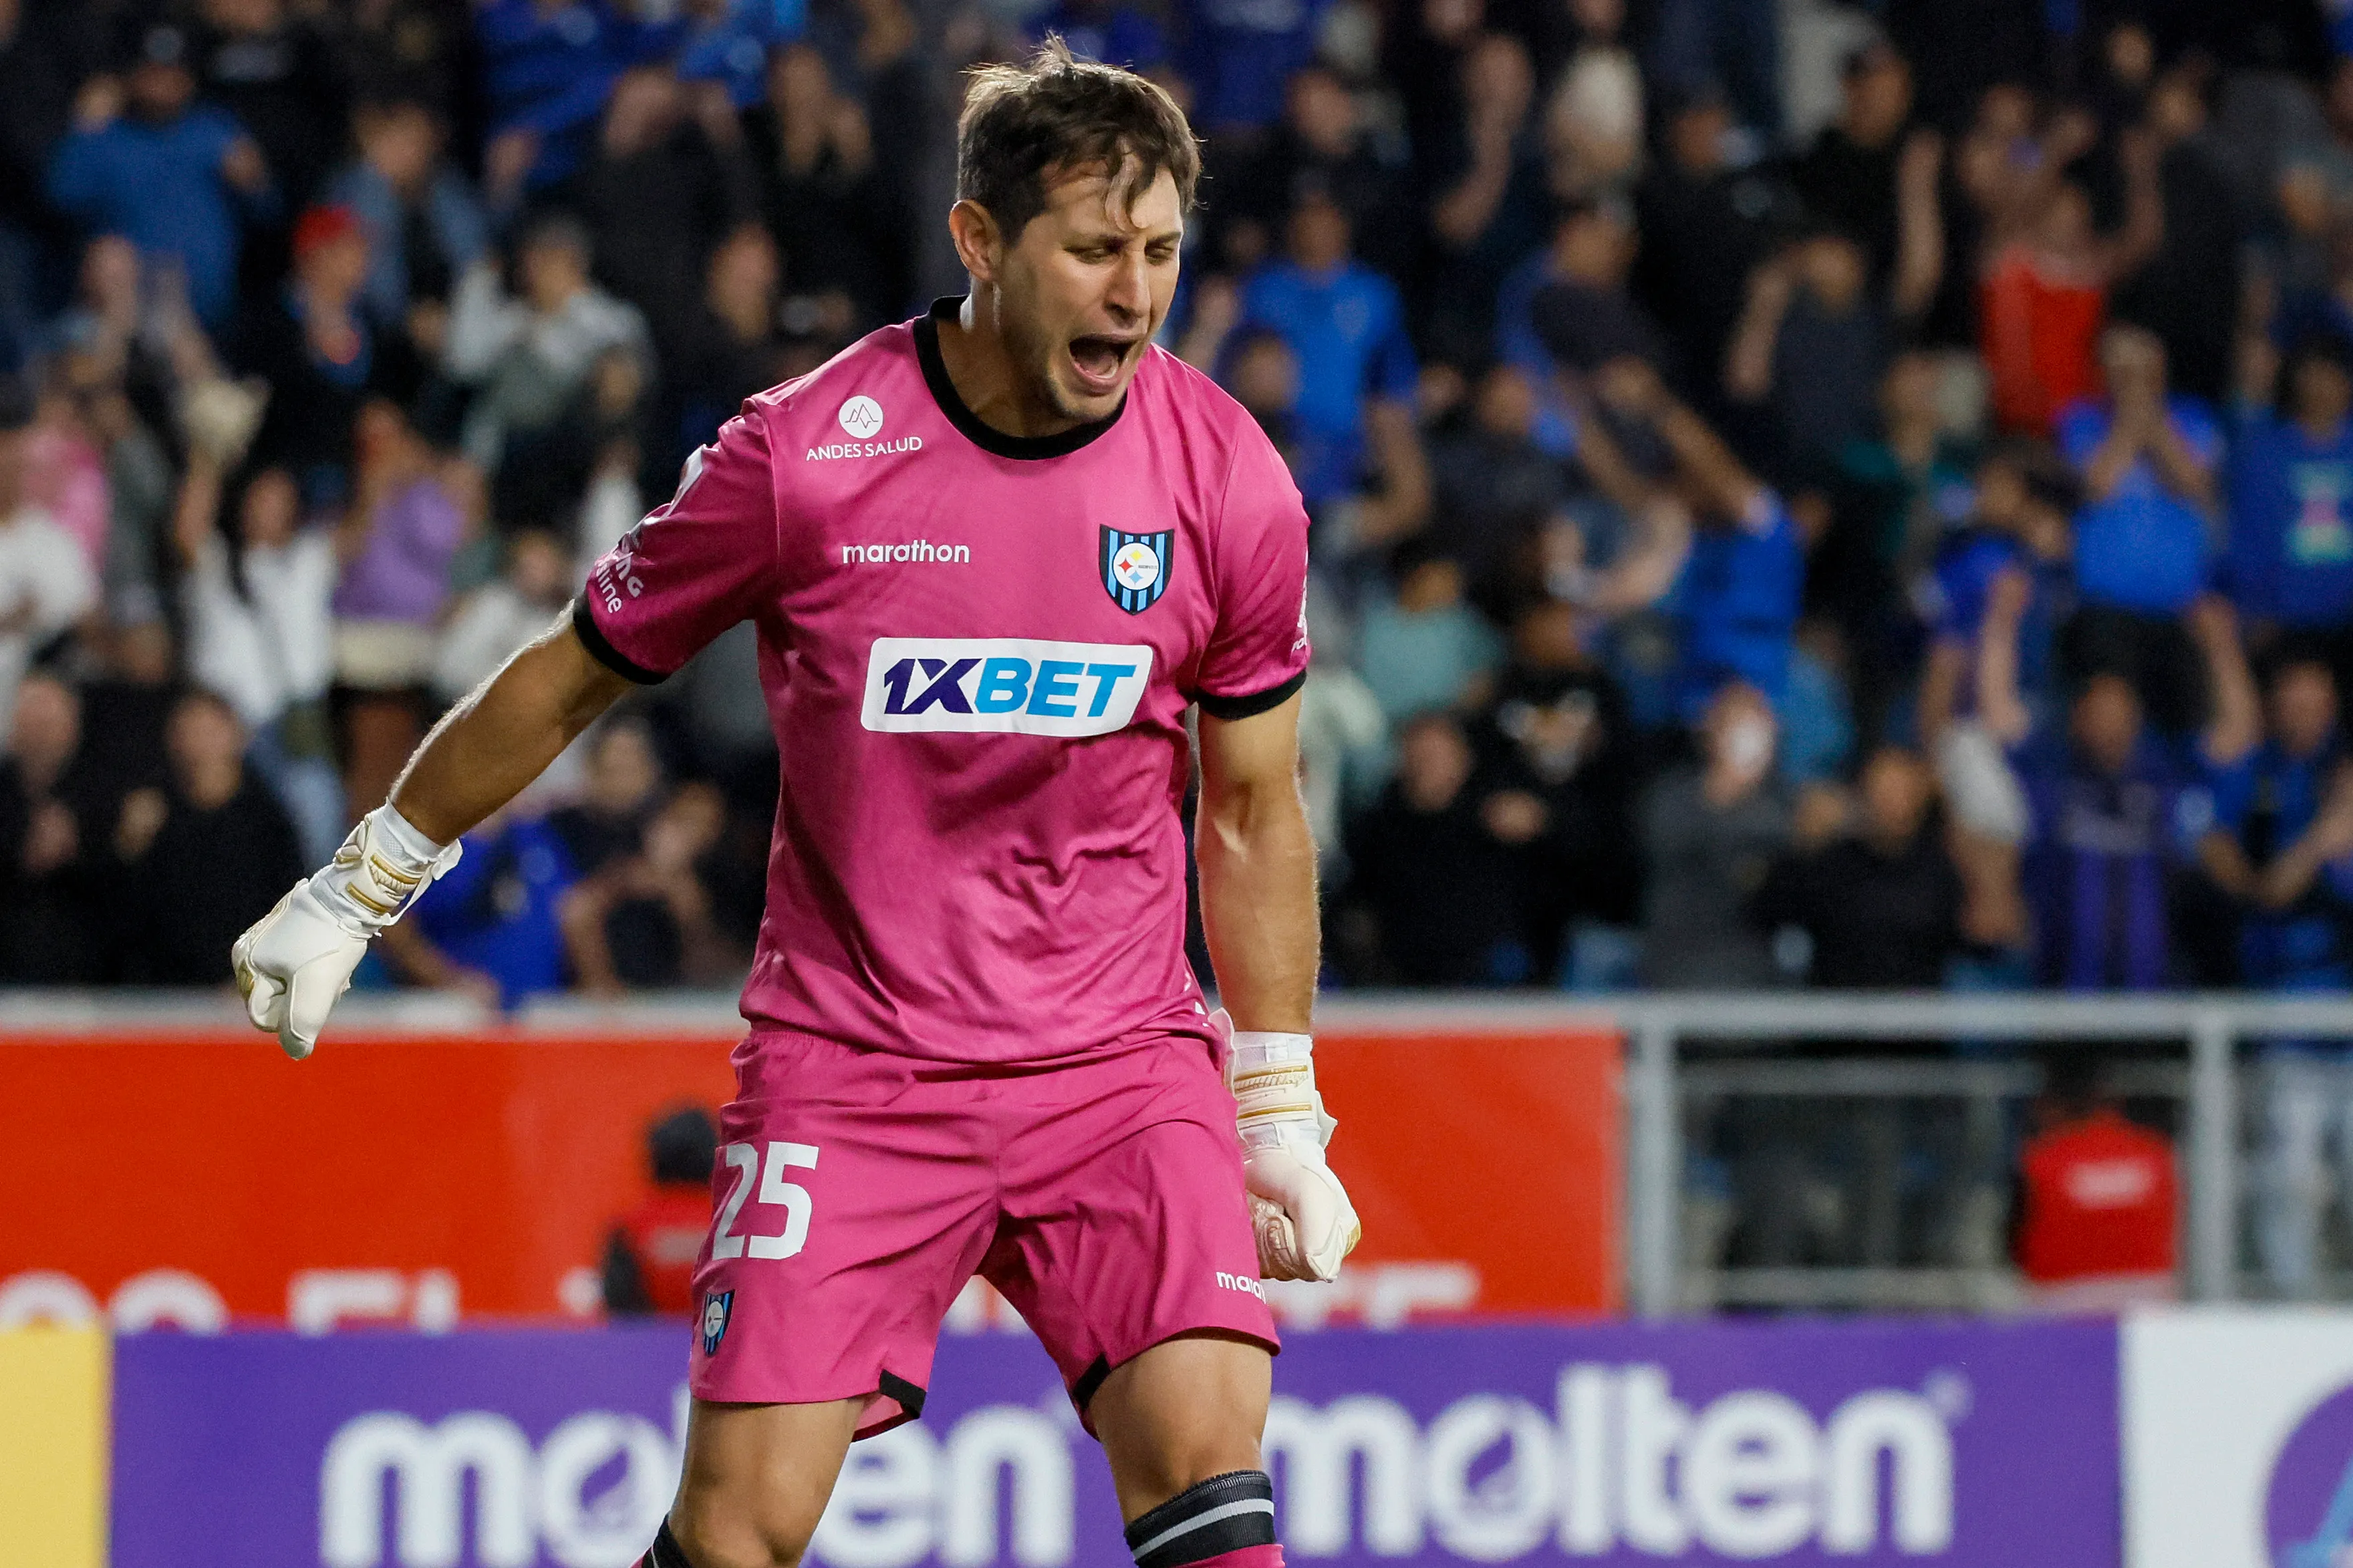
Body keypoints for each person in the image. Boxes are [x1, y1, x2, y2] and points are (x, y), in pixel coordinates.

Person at [233, 43, 1355, 1568]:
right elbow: (573, 675)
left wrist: (1277, 1103)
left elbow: (1250, 807)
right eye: (1093, 250)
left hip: (1117, 1067)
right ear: (981, 245)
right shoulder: (810, 458)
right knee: (739, 1529)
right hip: (857, 1069)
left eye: (1159, 252)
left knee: (1210, 1469)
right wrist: (360, 882)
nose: (1134, 292)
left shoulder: (1227, 482)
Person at [2014, 1057, 2179, 1311]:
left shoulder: (2043, 1158)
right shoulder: (2155, 1151)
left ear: (2050, 1107)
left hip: (2061, 1300)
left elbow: (2016, 1235)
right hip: (2150, 1301)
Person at [605, 1106, 725, 1316]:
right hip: (717, 1343)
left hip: (648, 1347)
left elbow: (620, 1315)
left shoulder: (629, 1229)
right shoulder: (734, 1223)